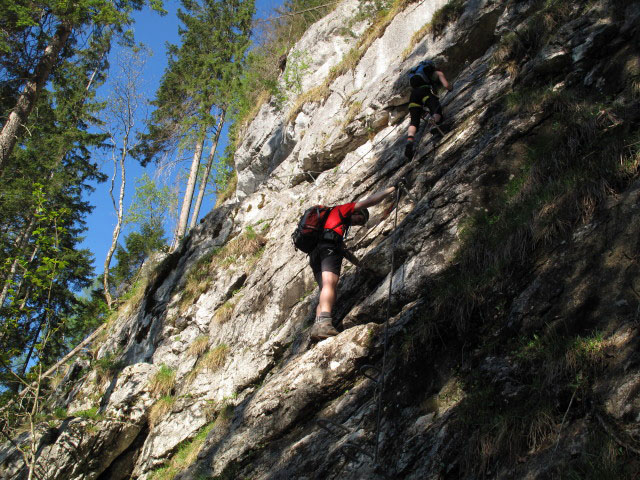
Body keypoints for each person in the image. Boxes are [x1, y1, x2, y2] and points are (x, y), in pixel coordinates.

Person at [308, 186, 396, 341]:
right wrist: (391, 189)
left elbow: (344, 252)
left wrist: (360, 265)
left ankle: (317, 327)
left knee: (324, 289)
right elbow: (370, 201)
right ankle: (325, 323)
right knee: (330, 285)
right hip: (328, 250)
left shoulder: (332, 223)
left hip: (315, 253)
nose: (357, 223)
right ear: (356, 213)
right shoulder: (344, 209)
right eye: (359, 219)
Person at [405, 60, 453, 159]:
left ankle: (409, 141)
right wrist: (450, 88)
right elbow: (447, 86)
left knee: (414, 121)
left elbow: (416, 92)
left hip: (413, 96)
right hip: (425, 92)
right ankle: (434, 125)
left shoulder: (415, 77)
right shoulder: (437, 72)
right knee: (436, 109)